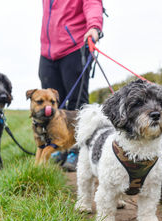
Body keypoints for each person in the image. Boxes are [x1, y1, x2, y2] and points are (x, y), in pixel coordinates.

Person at [39, 0, 103, 171]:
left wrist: (94, 26)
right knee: (51, 107)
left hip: (74, 48)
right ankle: (59, 147)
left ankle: (77, 150)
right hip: (47, 53)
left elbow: (93, 4)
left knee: (77, 104)